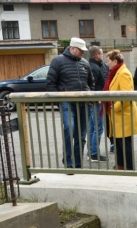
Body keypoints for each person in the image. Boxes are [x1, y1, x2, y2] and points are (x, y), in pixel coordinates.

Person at [46, 37, 95, 170]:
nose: (83, 53)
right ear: (73, 48)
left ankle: (77, 164)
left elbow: (91, 83)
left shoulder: (85, 63)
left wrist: (91, 96)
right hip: (66, 101)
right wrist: (59, 101)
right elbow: (50, 83)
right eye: (80, 50)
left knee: (81, 135)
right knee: (69, 129)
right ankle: (68, 162)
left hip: (84, 102)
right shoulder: (58, 61)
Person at [104, 51, 137, 171]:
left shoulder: (123, 73)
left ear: (115, 61)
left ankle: (128, 168)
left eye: (108, 61)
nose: (107, 63)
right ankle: (120, 165)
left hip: (123, 114)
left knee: (125, 144)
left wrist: (114, 108)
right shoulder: (117, 72)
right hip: (119, 115)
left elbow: (126, 95)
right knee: (119, 143)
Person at [88, 45, 108, 162]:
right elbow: (93, 85)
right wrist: (95, 98)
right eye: (101, 54)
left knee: (92, 127)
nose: (102, 56)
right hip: (97, 101)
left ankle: (91, 152)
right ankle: (94, 153)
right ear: (96, 55)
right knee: (98, 127)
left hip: (94, 100)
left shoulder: (92, 66)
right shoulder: (95, 68)